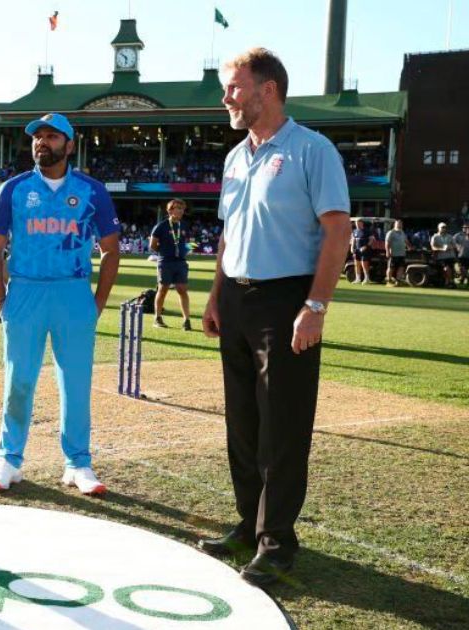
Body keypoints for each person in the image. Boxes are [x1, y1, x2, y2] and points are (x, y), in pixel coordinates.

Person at [200, 48, 351, 587]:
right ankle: (247, 525)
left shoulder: (313, 150)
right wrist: (217, 296)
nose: (227, 98)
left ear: (268, 90)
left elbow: (338, 231)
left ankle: (277, 543)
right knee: (242, 422)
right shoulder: (236, 156)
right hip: (237, 298)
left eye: (234, 88)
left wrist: (314, 307)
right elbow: (227, 234)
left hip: (287, 299)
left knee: (282, 426)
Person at [0, 113, 121, 496]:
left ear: (70, 145)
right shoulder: (13, 189)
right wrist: (0, 298)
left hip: (74, 292)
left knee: (76, 383)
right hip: (25, 291)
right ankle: (9, 460)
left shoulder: (92, 191)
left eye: (51, 137)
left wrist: (97, 303)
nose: (42, 142)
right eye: (37, 137)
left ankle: (78, 463)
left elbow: (111, 251)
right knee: (19, 381)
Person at [149, 198, 193, 329]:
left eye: (182, 209)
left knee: (182, 290)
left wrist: (186, 250)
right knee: (162, 290)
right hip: (166, 262)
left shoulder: (184, 225)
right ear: (170, 210)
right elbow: (152, 245)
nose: (180, 211)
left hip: (180, 263)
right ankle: (157, 318)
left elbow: (191, 242)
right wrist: (164, 253)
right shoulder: (161, 226)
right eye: (178, 208)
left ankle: (186, 320)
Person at [349, 218, 376, 283]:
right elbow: (353, 240)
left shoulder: (367, 231)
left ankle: (367, 278)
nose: (357, 224)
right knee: (356, 264)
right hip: (357, 250)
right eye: (356, 223)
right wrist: (352, 247)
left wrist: (366, 246)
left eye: (358, 223)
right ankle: (358, 278)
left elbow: (371, 240)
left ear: (362, 223)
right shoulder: (355, 231)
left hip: (365, 250)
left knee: (364, 264)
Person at [384, 219, 411, 286]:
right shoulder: (391, 232)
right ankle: (389, 280)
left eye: (401, 224)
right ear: (395, 224)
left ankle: (398, 281)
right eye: (398, 223)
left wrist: (409, 246)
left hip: (402, 254)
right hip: (393, 254)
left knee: (401, 267)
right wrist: (387, 251)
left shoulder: (402, 232)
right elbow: (387, 243)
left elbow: (406, 241)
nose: (400, 225)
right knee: (391, 267)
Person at [430, 222, 456, 288]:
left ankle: (447, 283)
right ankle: (449, 282)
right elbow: (433, 247)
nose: (444, 229)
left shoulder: (450, 236)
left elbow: (455, 246)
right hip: (441, 257)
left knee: (450, 270)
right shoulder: (435, 237)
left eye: (445, 227)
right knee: (446, 269)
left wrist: (449, 247)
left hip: (450, 256)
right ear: (438, 228)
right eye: (442, 227)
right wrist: (442, 249)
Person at [454, 223, 469, 287]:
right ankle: (463, 279)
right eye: (464, 227)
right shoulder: (458, 235)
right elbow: (452, 242)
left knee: (465, 269)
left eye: (467, 227)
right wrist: (457, 248)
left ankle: (463, 280)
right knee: (462, 268)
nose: (465, 229)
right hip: (461, 255)